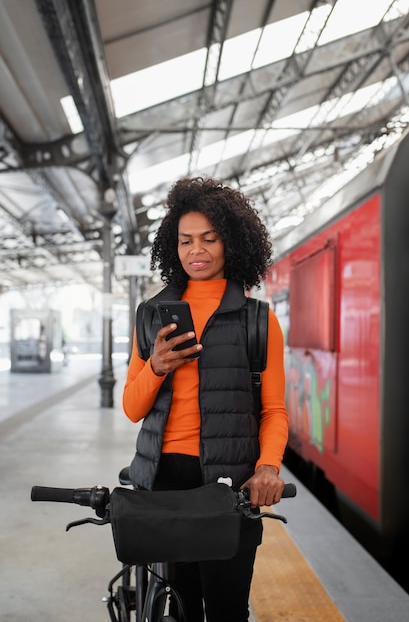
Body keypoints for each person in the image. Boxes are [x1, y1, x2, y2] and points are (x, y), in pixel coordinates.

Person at [122, 176, 289, 622]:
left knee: (227, 608)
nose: (196, 251)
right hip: (164, 480)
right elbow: (133, 408)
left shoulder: (258, 321)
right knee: (181, 605)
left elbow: (273, 411)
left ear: (230, 243)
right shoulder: (151, 316)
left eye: (209, 239)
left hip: (229, 486)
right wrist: (155, 368)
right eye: (185, 241)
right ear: (172, 247)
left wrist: (268, 467)